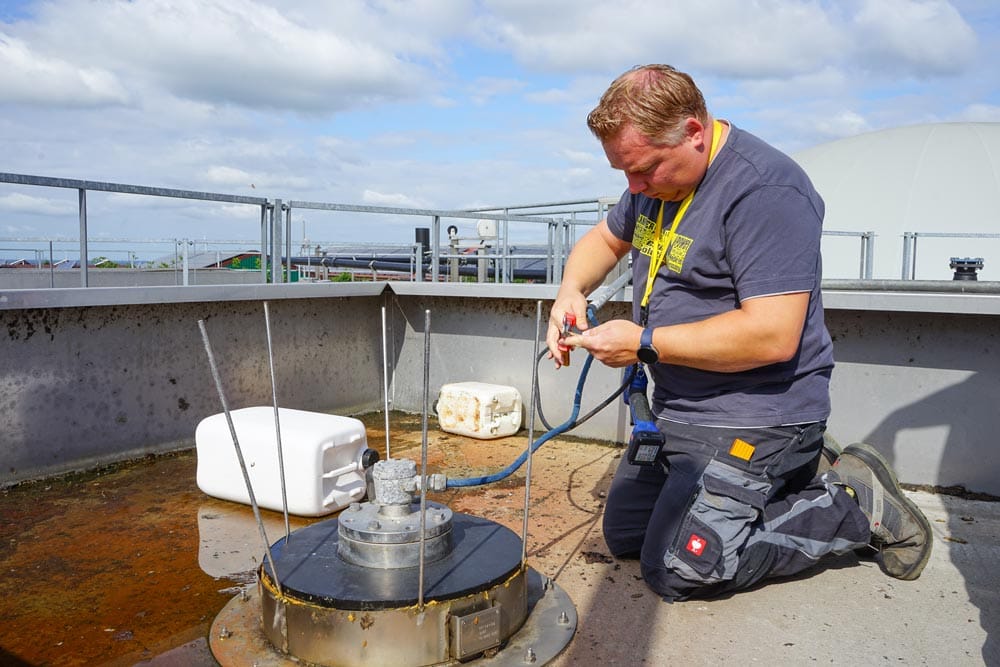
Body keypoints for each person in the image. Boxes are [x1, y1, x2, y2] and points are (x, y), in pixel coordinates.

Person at [546, 64, 932, 601]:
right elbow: (605, 242)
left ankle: (852, 506)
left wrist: (644, 343)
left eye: (645, 170)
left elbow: (771, 336)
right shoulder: (653, 183)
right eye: (624, 173)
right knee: (629, 537)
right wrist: (570, 291)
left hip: (759, 413)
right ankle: (792, 477)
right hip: (683, 410)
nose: (633, 188)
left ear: (694, 132)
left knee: (679, 568)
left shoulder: (766, 190)